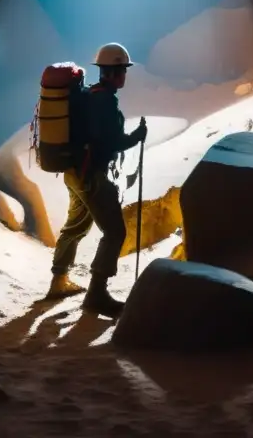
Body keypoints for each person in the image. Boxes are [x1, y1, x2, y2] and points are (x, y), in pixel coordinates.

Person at [46, 42, 147, 318]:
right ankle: (96, 294)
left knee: (75, 226)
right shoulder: (105, 100)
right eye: (123, 70)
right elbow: (109, 141)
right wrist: (136, 136)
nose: (125, 75)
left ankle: (58, 281)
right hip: (91, 176)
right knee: (114, 232)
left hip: (74, 173)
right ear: (114, 72)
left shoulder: (90, 94)